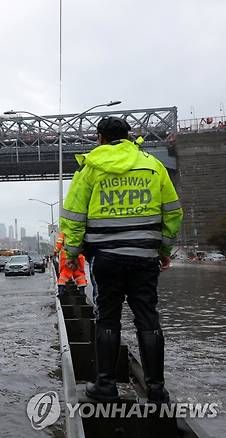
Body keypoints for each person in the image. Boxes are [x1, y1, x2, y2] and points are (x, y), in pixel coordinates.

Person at [60, 116, 183, 403]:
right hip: (144, 257)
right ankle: (156, 389)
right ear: (129, 136)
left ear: (99, 138)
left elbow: (74, 217)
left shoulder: (90, 168)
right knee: (148, 319)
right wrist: (163, 250)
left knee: (107, 318)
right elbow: (173, 212)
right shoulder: (153, 166)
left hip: (106, 259)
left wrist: (72, 253)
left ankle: (106, 386)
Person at [53, 232, 88, 297]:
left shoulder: (64, 232)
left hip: (66, 256)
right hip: (79, 255)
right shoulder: (80, 231)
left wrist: (55, 252)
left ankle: (61, 292)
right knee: (79, 274)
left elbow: (59, 244)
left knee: (64, 274)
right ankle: (82, 292)